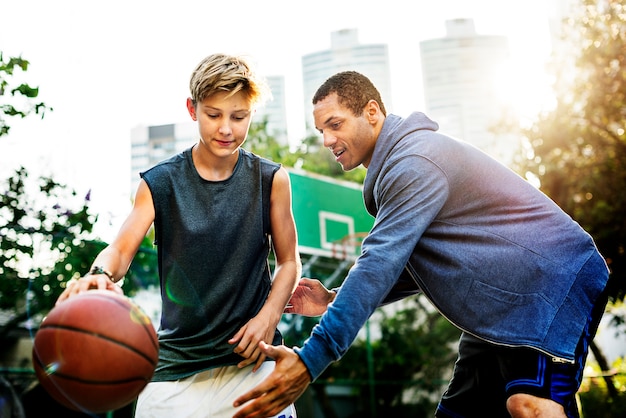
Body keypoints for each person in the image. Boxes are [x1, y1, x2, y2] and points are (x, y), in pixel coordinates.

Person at [231, 71, 610, 418]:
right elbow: (405, 265)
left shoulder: (415, 161)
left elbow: (379, 263)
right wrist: (333, 298)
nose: (328, 140)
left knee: (529, 405)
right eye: (321, 131)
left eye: (335, 125)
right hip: (499, 310)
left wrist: (311, 359)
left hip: (549, 284)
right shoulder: (398, 172)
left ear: (372, 112)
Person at [56, 53, 301, 418]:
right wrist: (99, 275)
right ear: (192, 109)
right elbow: (120, 251)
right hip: (176, 371)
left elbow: (288, 262)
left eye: (239, 117)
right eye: (213, 114)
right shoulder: (160, 182)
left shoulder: (271, 180)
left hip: (253, 365)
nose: (226, 129)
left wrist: (268, 317)